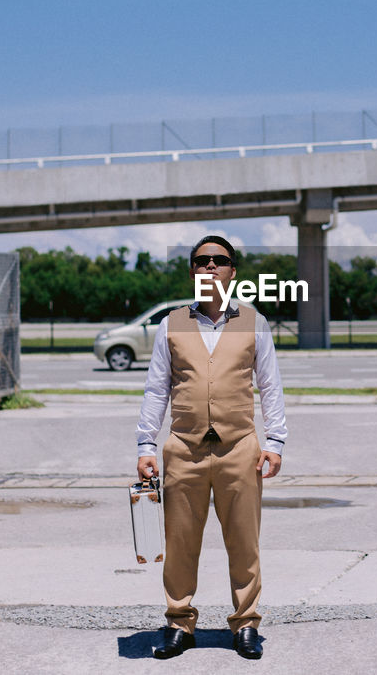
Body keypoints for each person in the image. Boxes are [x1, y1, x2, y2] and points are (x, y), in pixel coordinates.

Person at [136, 235, 288, 660]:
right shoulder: (171, 323)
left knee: (244, 543)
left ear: (232, 272)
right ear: (192, 271)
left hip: (240, 447)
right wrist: (146, 443)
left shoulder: (254, 322)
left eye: (218, 261)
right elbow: (156, 389)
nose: (209, 267)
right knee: (180, 542)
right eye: (201, 261)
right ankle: (179, 623)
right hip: (183, 449)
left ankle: (245, 624)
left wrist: (275, 440)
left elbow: (271, 386)